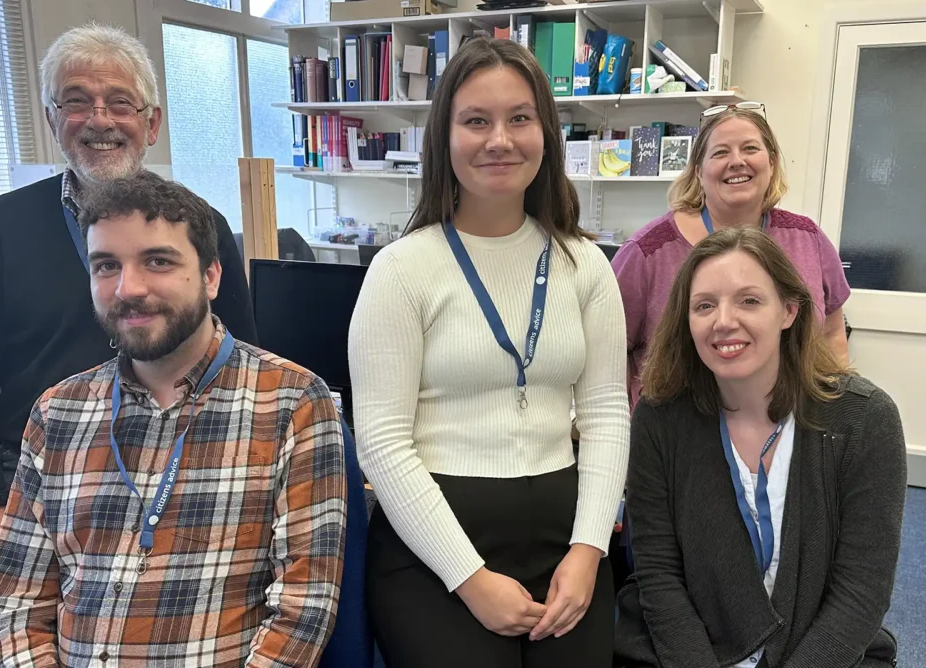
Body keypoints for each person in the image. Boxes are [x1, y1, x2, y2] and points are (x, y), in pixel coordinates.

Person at [0, 171, 346, 667]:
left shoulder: (291, 402)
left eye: (157, 261)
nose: (128, 288)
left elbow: (303, 610)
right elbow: (13, 606)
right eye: (106, 265)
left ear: (211, 276)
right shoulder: (56, 411)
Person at [348, 37, 629, 667]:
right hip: (435, 544)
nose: (499, 139)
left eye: (519, 118)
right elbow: (384, 445)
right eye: (476, 120)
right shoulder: (400, 271)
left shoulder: (585, 265)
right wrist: (469, 578)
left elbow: (608, 413)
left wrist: (588, 552)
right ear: (444, 138)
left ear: (546, 134)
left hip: (567, 540)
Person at [0, 23, 258, 575]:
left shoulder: (201, 225)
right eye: (76, 101)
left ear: (151, 122)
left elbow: (244, 360)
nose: (100, 120)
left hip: (180, 479)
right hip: (42, 488)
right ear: (51, 120)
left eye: (120, 102)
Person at [614, 227, 905, 668]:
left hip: (820, 652)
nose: (724, 321)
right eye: (704, 305)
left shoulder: (863, 420)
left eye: (749, 300)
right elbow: (658, 576)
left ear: (789, 310)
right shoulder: (660, 419)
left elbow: (861, 590)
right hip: (689, 650)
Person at [611, 104, 850, 408]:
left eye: (750, 148)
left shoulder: (808, 240)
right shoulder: (647, 252)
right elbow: (608, 352)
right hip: (676, 438)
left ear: (772, 162)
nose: (737, 161)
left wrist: (835, 413)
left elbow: (831, 333)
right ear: (698, 171)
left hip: (792, 428)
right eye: (721, 152)